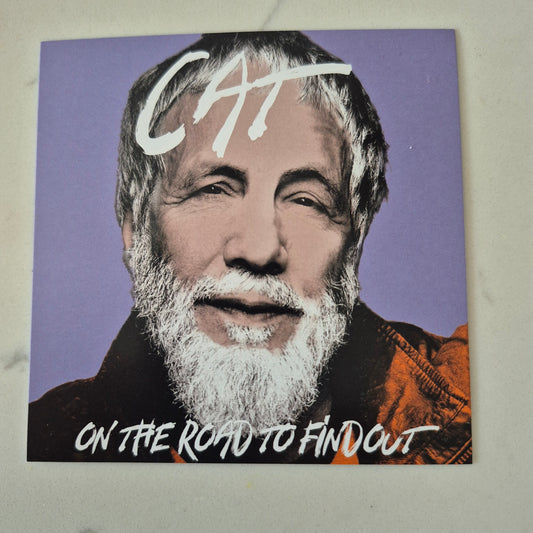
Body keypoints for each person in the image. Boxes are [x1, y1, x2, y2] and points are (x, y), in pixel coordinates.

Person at [28, 31, 471, 464]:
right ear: (134, 224)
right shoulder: (35, 447)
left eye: (306, 201)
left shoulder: (477, 407)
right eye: (213, 189)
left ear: (354, 242)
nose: (259, 250)